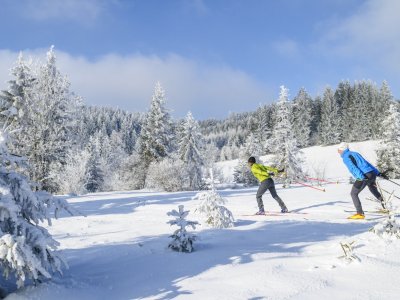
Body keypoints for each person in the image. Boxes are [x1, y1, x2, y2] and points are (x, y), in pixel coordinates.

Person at [338, 142, 385, 220]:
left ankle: (360, 213)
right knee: (373, 189)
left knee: (353, 193)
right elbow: (367, 163)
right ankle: (385, 207)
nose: (338, 151)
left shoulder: (346, 157)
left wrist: (361, 177)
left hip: (364, 176)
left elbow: (353, 168)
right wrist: (377, 173)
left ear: (342, 149)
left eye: (338, 150)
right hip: (371, 174)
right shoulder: (355, 153)